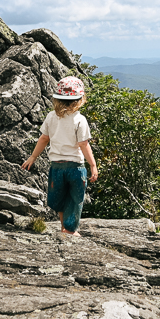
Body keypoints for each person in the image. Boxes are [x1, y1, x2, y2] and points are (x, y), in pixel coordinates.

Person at [20, 76, 97, 236]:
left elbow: (44, 139)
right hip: (75, 167)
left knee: (60, 197)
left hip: (56, 166)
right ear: (80, 100)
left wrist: (33, 157)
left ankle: (64, 227)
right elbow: (83, 144)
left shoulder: (51, 117)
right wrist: (93, 165)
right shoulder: (80, 120)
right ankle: (70, 230)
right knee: (75, 199)